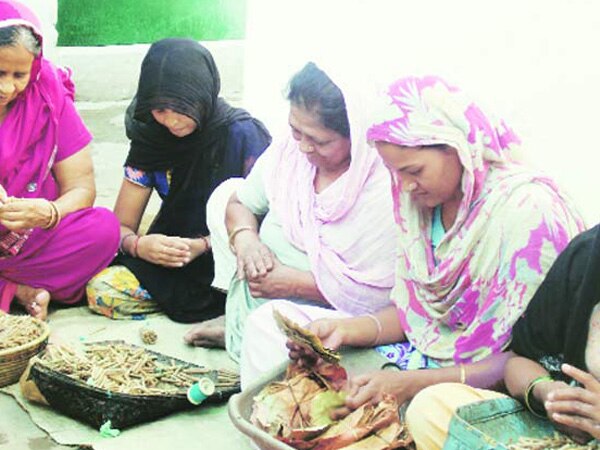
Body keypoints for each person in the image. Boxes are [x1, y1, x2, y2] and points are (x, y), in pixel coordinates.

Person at [274, 75, 584, 400]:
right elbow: (418, 317)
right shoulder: (421, 208)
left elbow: (529, 359)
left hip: (521, 392)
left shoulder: (527, 216)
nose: (405, 186)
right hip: (429, 363)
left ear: (458, 148)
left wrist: (414, 385)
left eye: (414, 171)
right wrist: (345, 331)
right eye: (394, 172)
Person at [184, 62, 397, 376]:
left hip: (330, 321)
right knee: (227, 193)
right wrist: (246, 240)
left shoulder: (383, 191)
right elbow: (239, 204)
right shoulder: (289, 154)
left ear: (356, 133)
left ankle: (258, 342)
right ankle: (236, 326)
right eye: (296, 130)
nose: (303, 146)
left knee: (280, 340)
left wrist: (293, 284)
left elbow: (379, 296)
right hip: (263, 293)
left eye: (319, 141)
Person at [86, 38, 271, 323]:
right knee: (101, 290)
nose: (172, 122)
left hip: (236, 254)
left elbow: (268, 221)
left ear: (203, 94)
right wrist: (140, 246)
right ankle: (223, 307)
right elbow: (120, 226)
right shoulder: (150, 141)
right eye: (160, 111)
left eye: (182, 109)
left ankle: (232, 304)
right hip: (172, 260)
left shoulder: (243, 136)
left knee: (270, 286)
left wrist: (205, 245)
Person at [406, 224, 600, 449]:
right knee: (431, 408)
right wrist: (548, 392)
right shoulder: (587, 257)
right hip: (563, 435)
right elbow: (518, 362)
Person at [0, 1, 119, 321]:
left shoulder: (46, 94)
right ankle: (17, 291)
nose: (7, 87)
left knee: (104, 230)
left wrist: (49, 212)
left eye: (19, 75)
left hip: (25, 240)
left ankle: (11, 288)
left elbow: (81, 186)